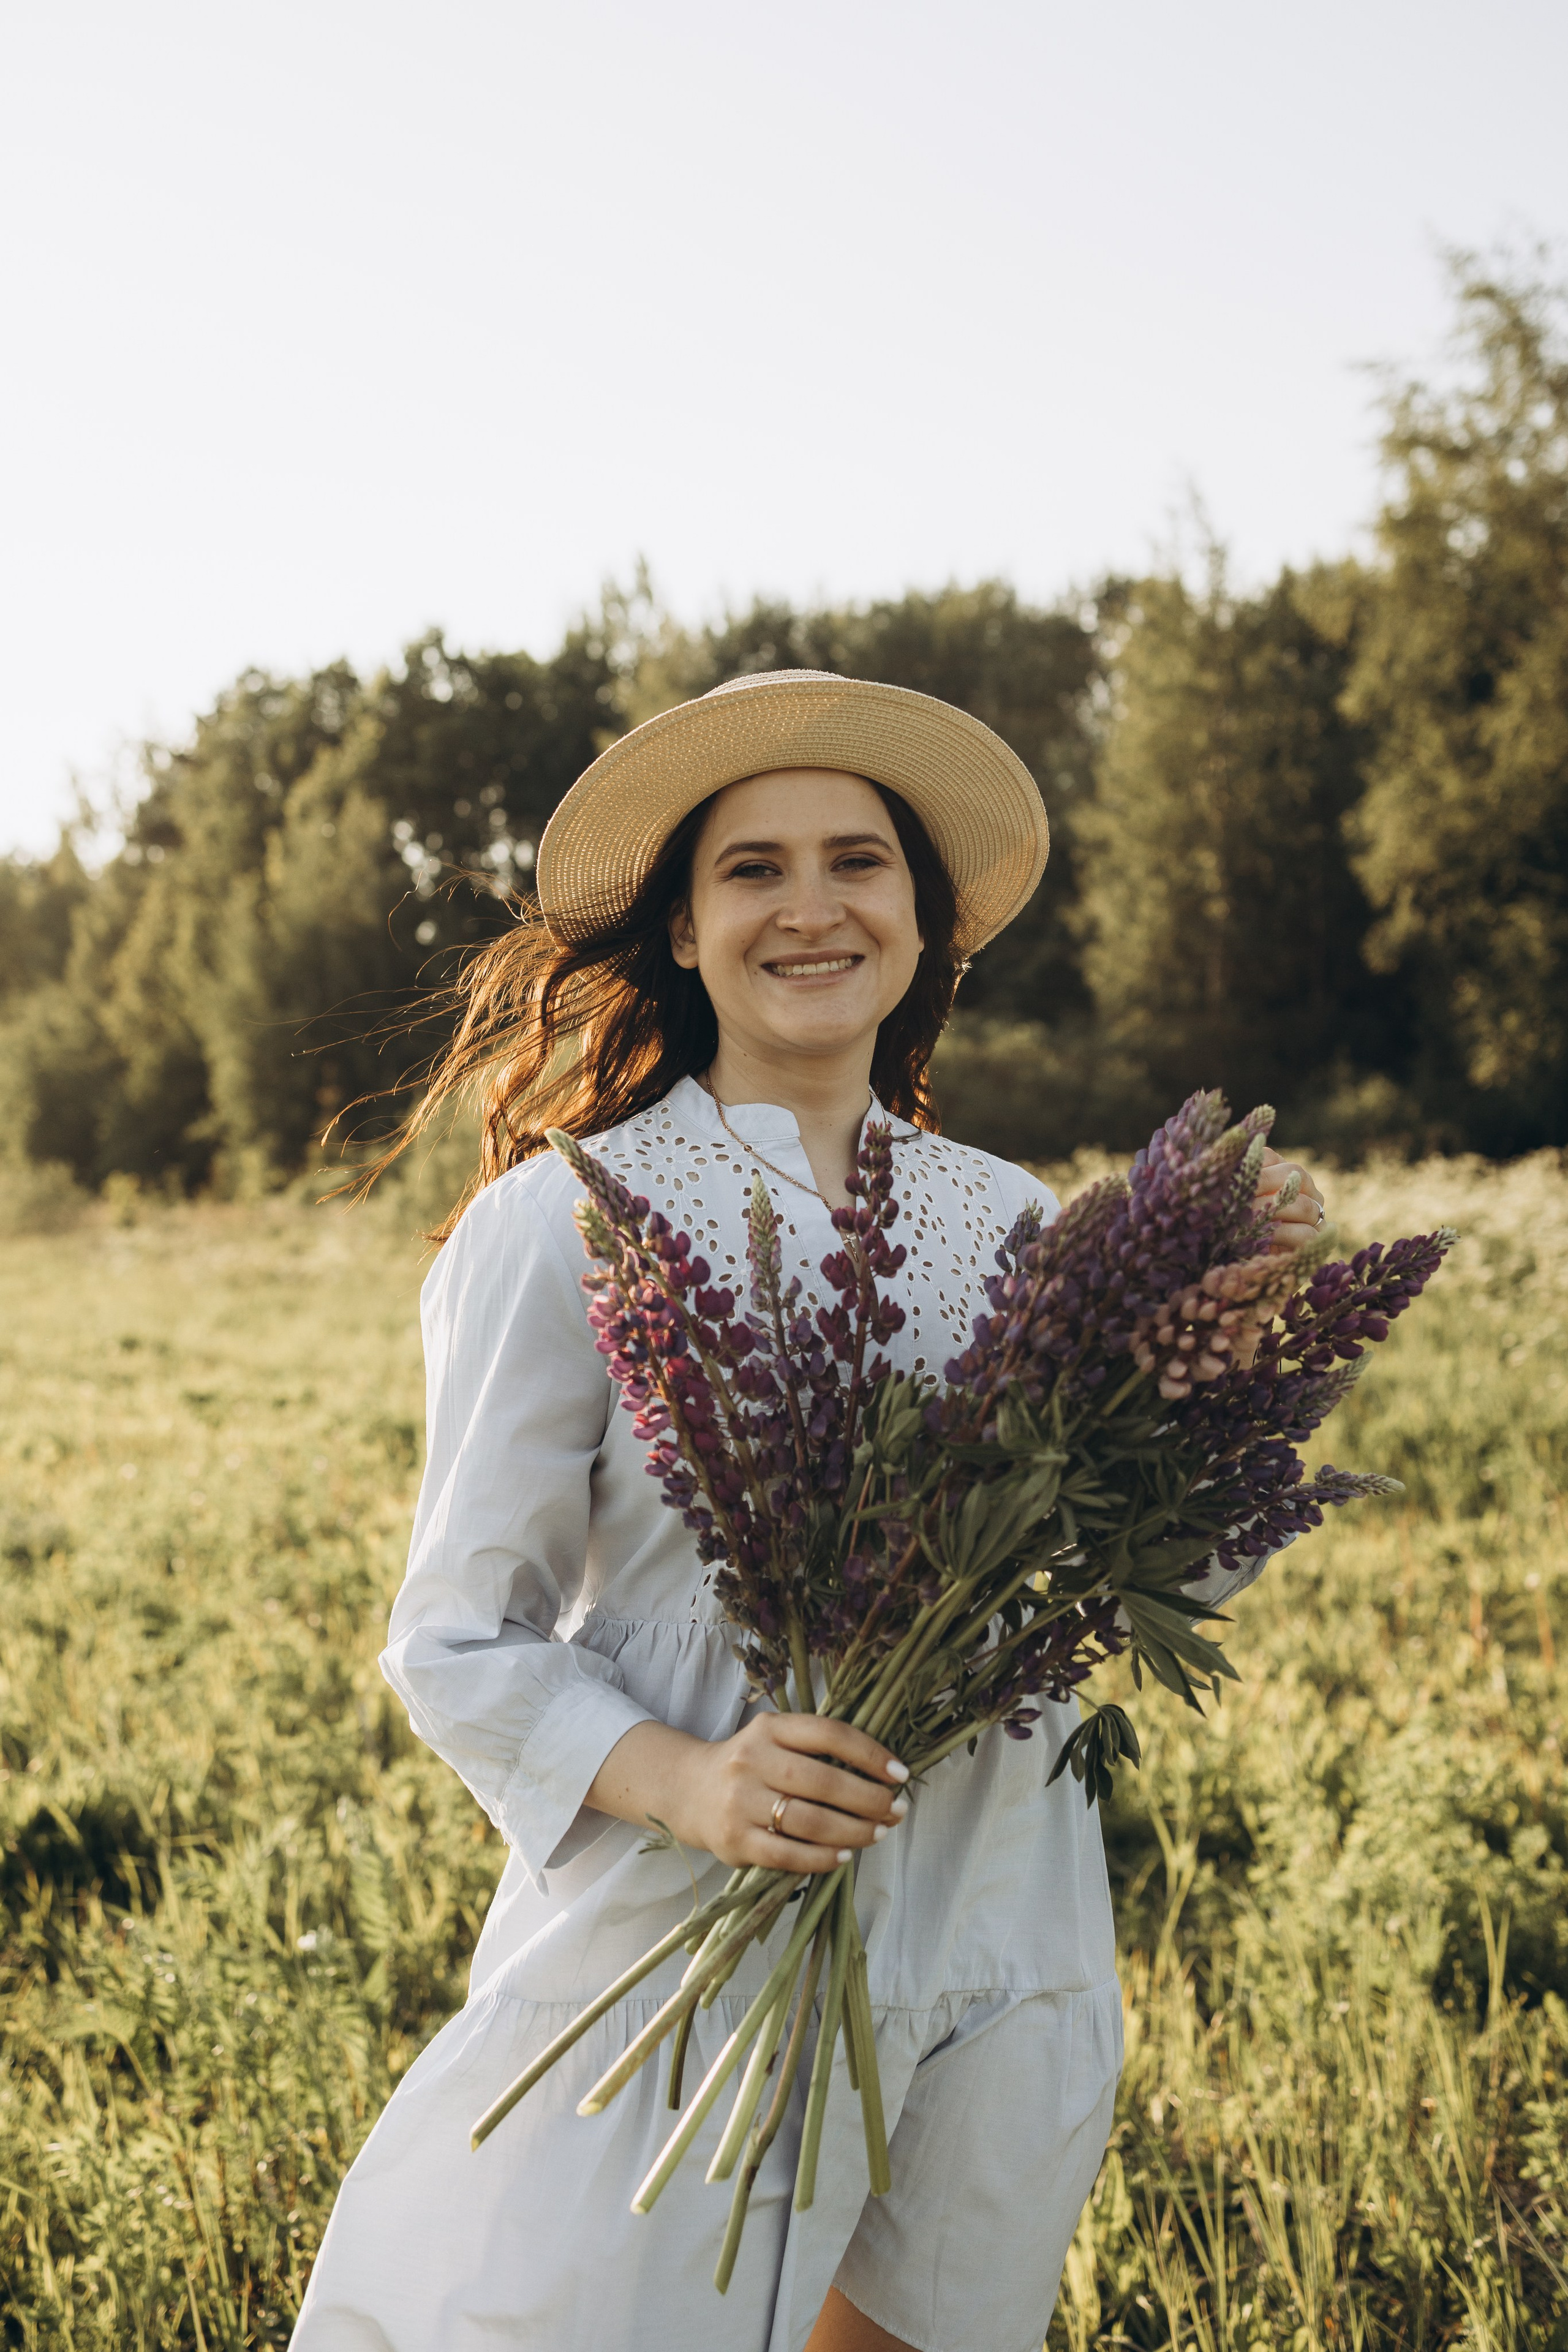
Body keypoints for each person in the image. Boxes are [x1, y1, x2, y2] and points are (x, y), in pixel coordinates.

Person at [292, 671, 1325, 2352]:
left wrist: (1227, 1372)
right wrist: (693, 1782)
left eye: (858, 860)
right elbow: (455, 1642)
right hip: (699, 1919)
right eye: (753, 869)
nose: (811, 905)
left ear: (923, 921)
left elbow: (1131, 1564)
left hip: (1004, 1908)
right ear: (685, 934)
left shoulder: (1015, 1220)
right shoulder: (568, 1222)